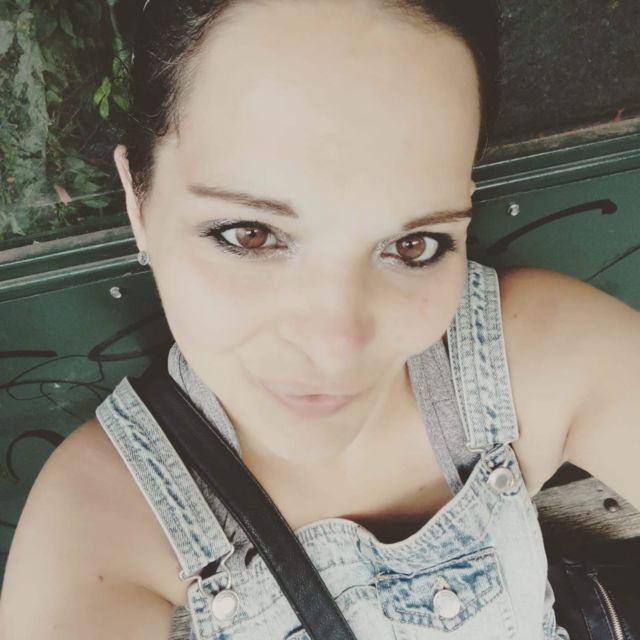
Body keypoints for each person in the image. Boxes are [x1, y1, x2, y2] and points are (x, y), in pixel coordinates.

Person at [1, 0, 638, 638]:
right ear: (138, 201)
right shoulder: (101, 525)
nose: (336, 348)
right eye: (250, 234)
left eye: (413, 245)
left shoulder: (534, 359)